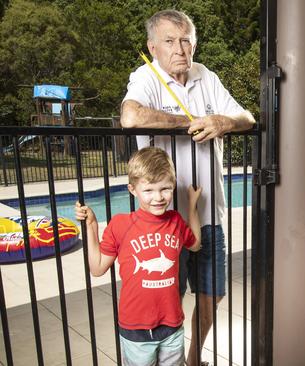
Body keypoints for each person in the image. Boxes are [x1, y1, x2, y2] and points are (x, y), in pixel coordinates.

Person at [120, 9, 255, 366]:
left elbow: (248, 118)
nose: (180, 49)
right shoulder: (145, 77)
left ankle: (194, 359)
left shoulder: (205, 76)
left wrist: (221, 121)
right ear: (152, 47)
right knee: (170, 299)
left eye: (186, 40)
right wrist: (189, 123)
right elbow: (131, 116)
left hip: (209, 215)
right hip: (165, 224)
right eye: (169, 41)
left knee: (212, 298)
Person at [75, 146, 202, 366]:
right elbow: (97, 269)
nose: (158, 197)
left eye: (165, 189)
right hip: (136, 329)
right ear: (132, 190)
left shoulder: (176, 222)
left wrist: (192, 205)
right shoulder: (120, 225)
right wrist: (92, 227)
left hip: (172, 325)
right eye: (149, 190)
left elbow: (196, 245)